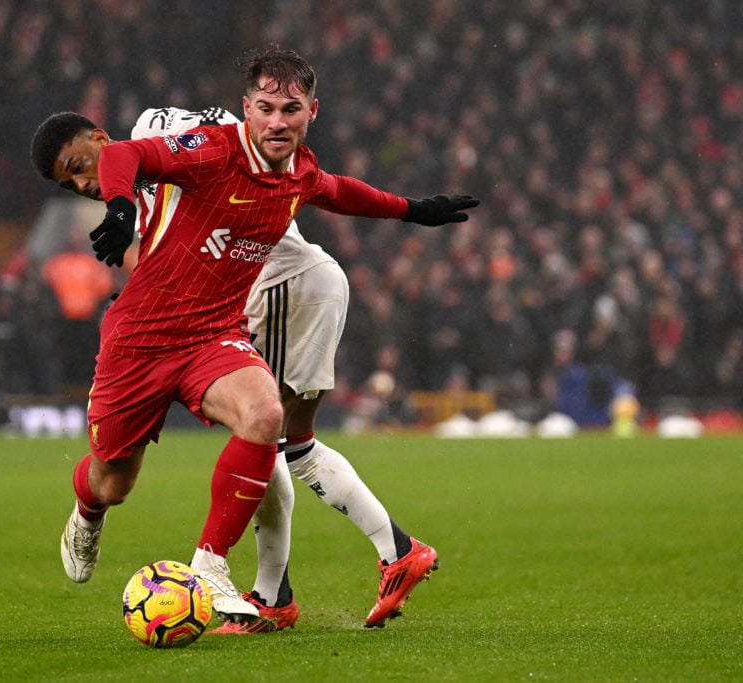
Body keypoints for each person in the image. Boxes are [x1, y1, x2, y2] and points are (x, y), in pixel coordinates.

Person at [30, 47, 479, 627]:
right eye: (266, 108)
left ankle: (216, 566)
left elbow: (337, 190)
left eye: (288, 109)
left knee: (269, 421)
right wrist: (120, 208)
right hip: (140, 340)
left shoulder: (230, 153)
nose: (85, 182)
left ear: (310, 112)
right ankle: (89, 512)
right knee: (114, 480)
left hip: (220, 328)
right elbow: (124, 161)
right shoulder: (183, 165)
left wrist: (413, 210)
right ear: (248, 108)